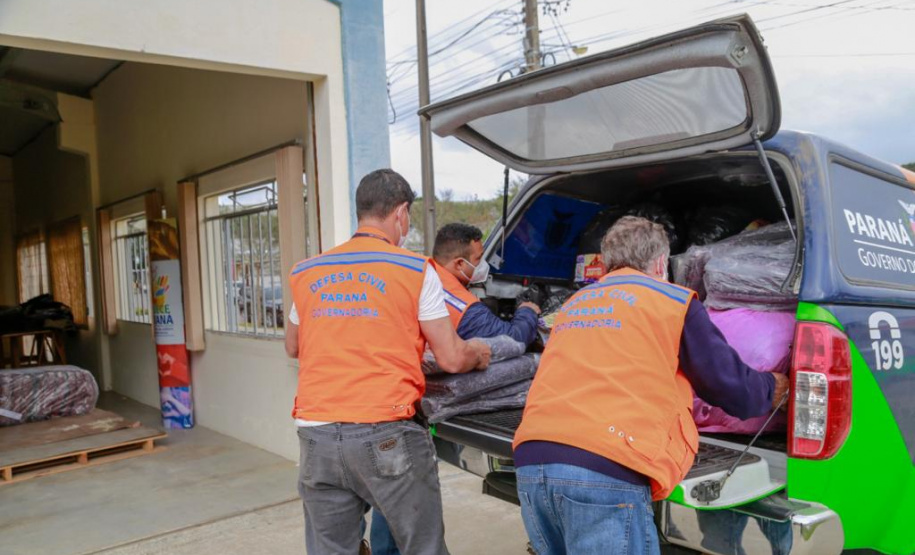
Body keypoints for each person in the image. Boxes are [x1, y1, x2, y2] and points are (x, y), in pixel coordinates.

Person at [512, 216, 790, 555]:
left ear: (607, 263)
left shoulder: (574, 305)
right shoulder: (671, 301)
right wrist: (771, 388)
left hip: (531, 462)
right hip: (604, 468)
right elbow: (727, 385)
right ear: (661, 263)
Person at [285, 169, 492, 555]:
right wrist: (478, 352)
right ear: (401, 212)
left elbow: (293, 346)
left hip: (316, 435)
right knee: (421, 547)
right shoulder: (414, 269)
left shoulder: (308, 270)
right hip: (385, 433)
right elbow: (450, 356)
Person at [431, 223, 540, 345]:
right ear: (460, 264)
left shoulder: (426, 274)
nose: (484, 264)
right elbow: (513, 340)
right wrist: (526, 311)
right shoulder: (465, 309)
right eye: (478, 258)